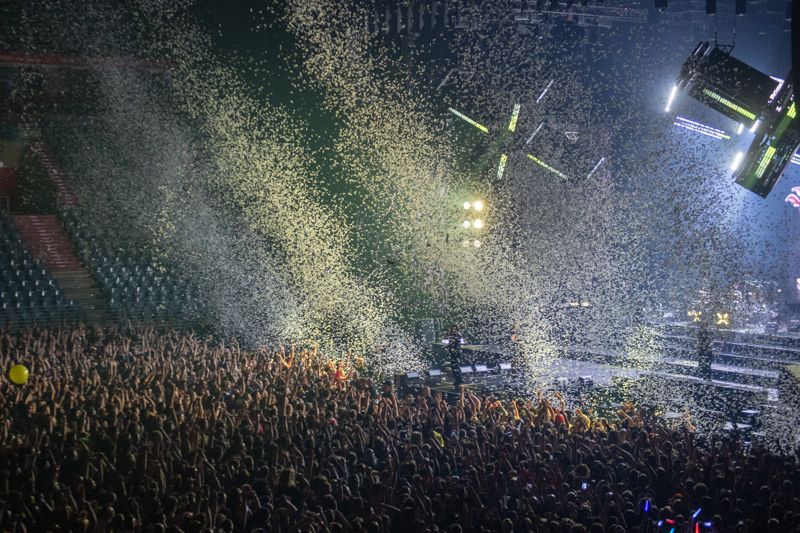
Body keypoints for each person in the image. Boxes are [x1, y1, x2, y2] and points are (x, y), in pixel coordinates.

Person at [446, 324, 463, 390]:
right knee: (453, 366)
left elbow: (455, 340)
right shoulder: (453, 334)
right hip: (453, 351)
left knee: (455, 366)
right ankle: (457, 379)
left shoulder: (457, 334)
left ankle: (459, 379)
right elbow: (446, 337)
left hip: (456, 352)